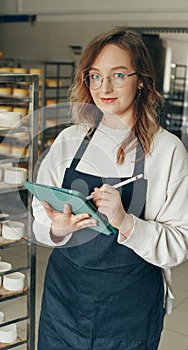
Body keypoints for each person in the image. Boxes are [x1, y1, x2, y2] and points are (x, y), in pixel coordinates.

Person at [32, 28, 188, 349]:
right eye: (95, 76)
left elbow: (178, 245)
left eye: (118, 75)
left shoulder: (167, 151)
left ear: (141, 79)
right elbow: (40, 214)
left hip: (128, 312)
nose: (105, 87)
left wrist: (126, 223)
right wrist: (56, 227)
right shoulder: (69, 141)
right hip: (64, 303)